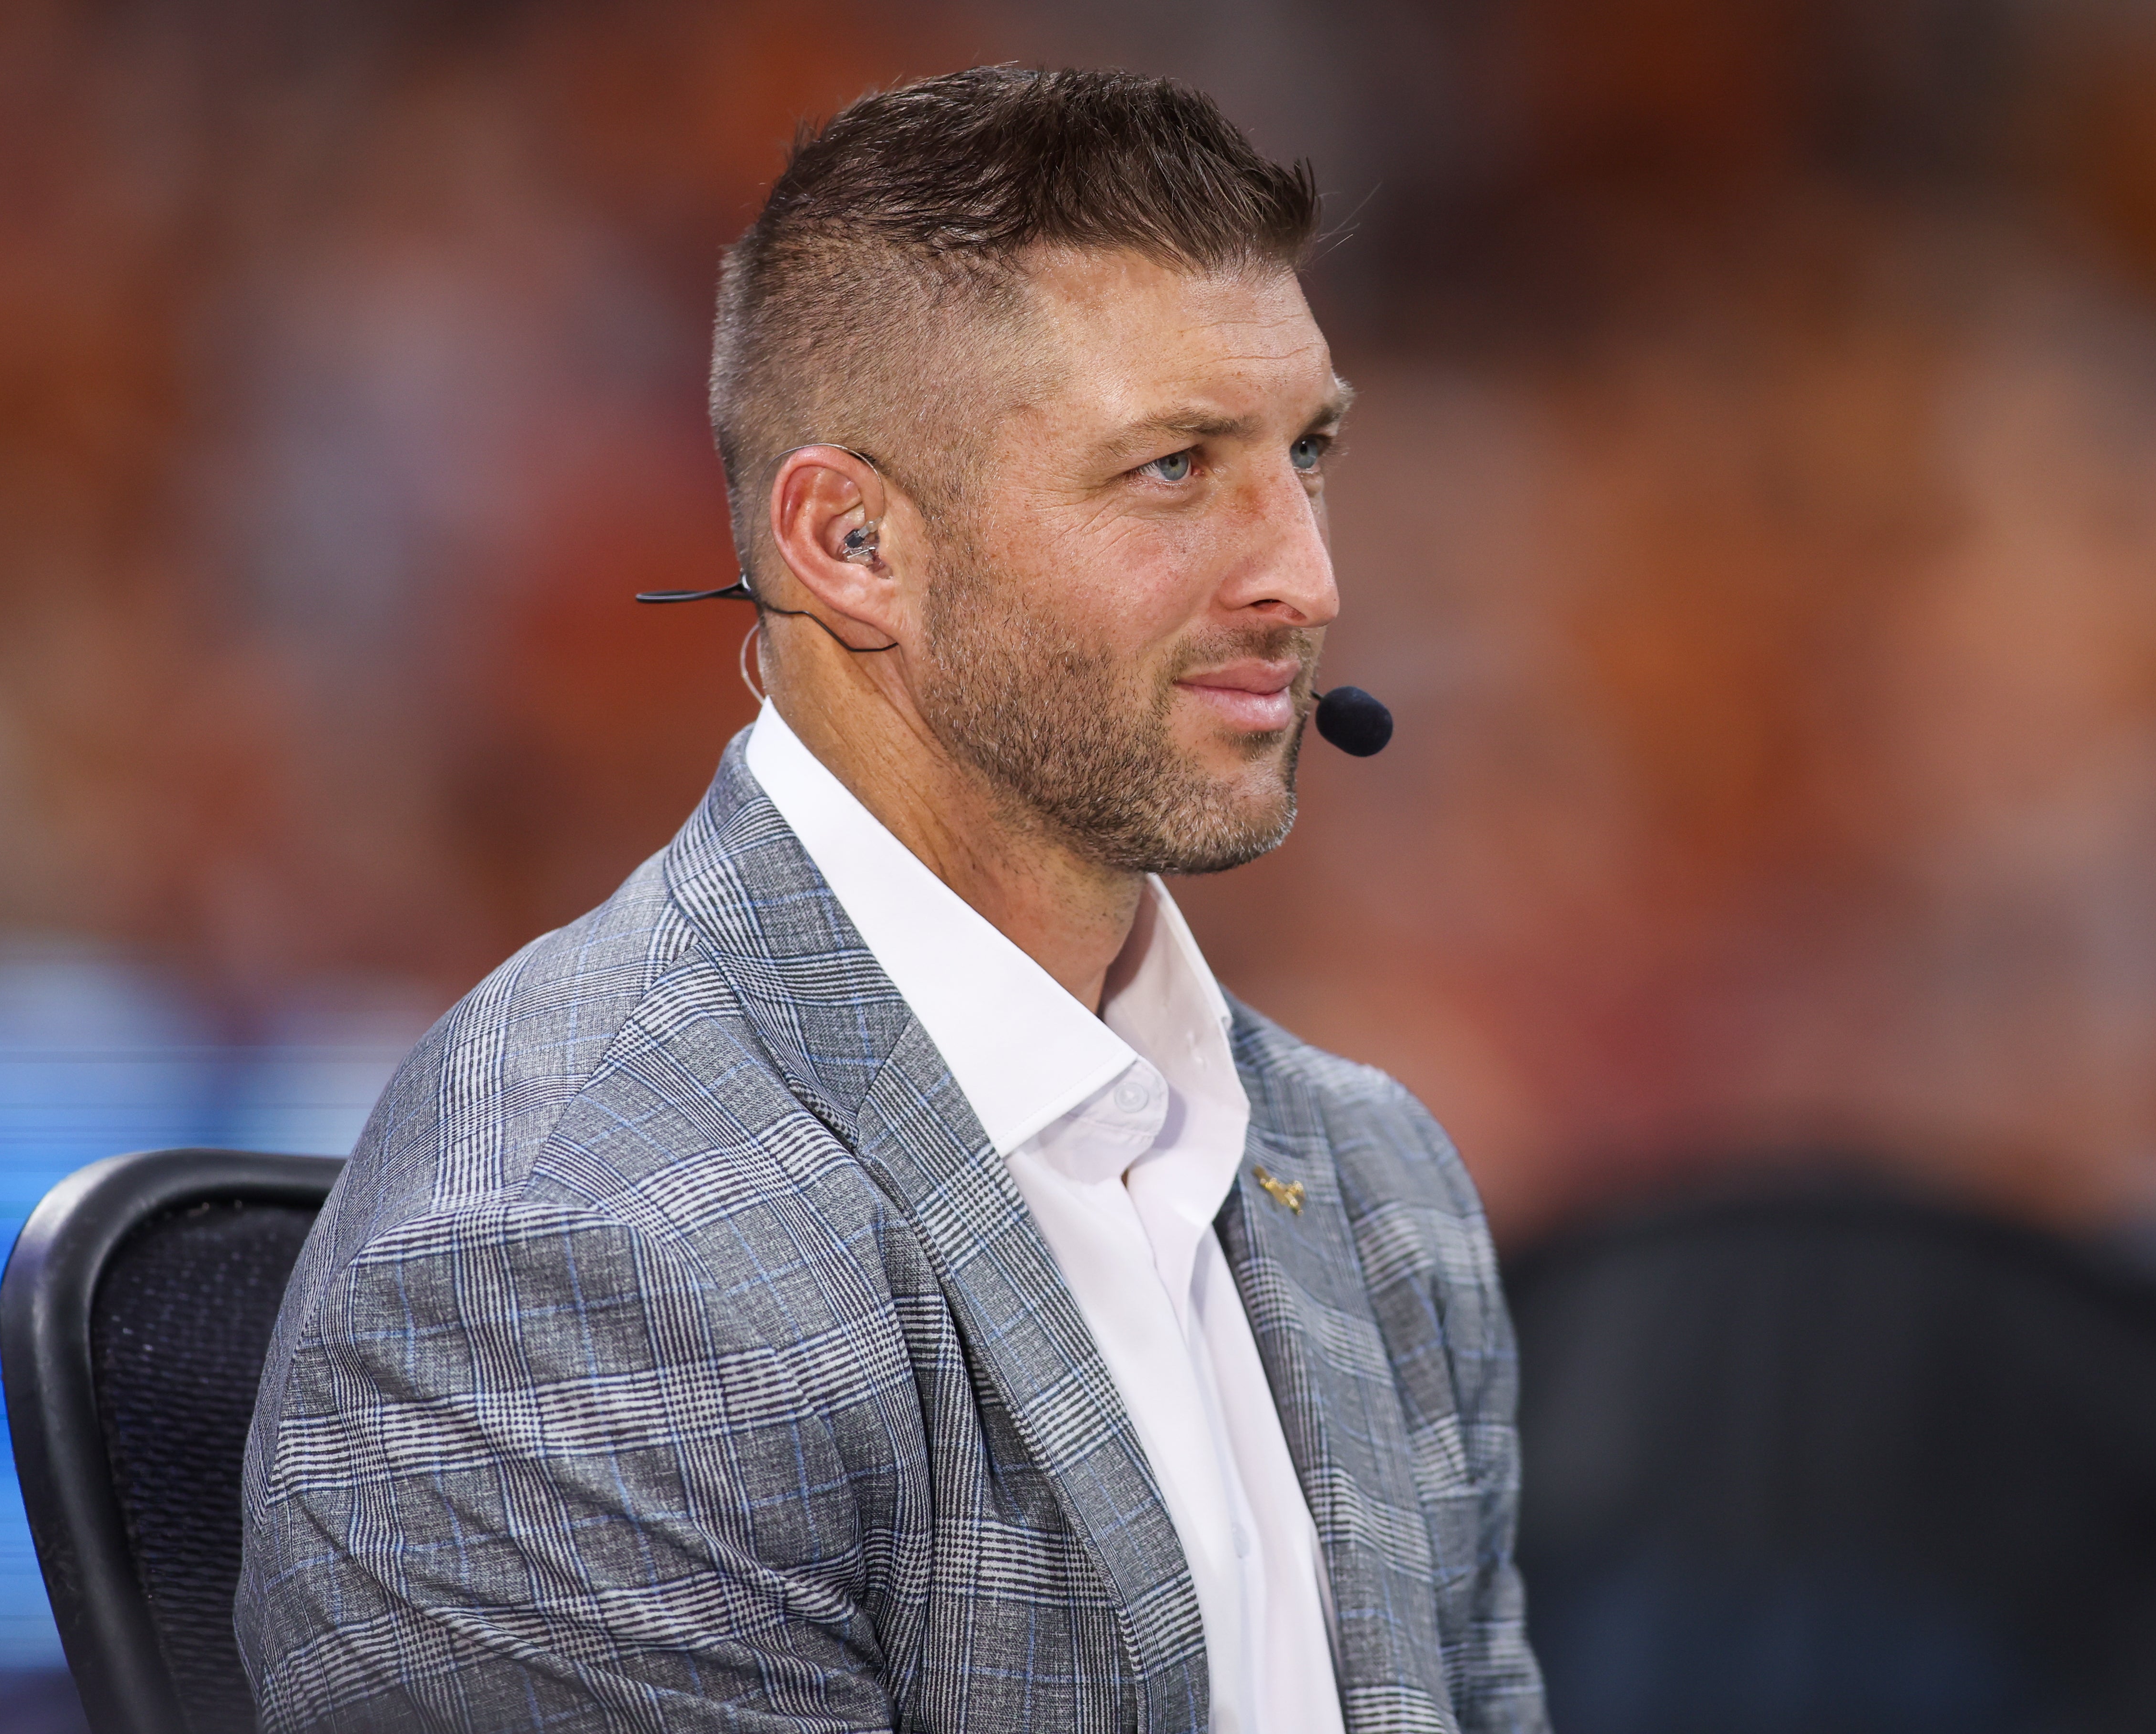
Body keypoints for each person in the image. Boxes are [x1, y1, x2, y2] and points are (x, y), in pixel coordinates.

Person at [237, 66, 1543, 1734]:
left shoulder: (1377, 1189)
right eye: (1171, 468)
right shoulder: (561, 1245)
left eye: (1307, 451)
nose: (1305, 575)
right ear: (850, 540)